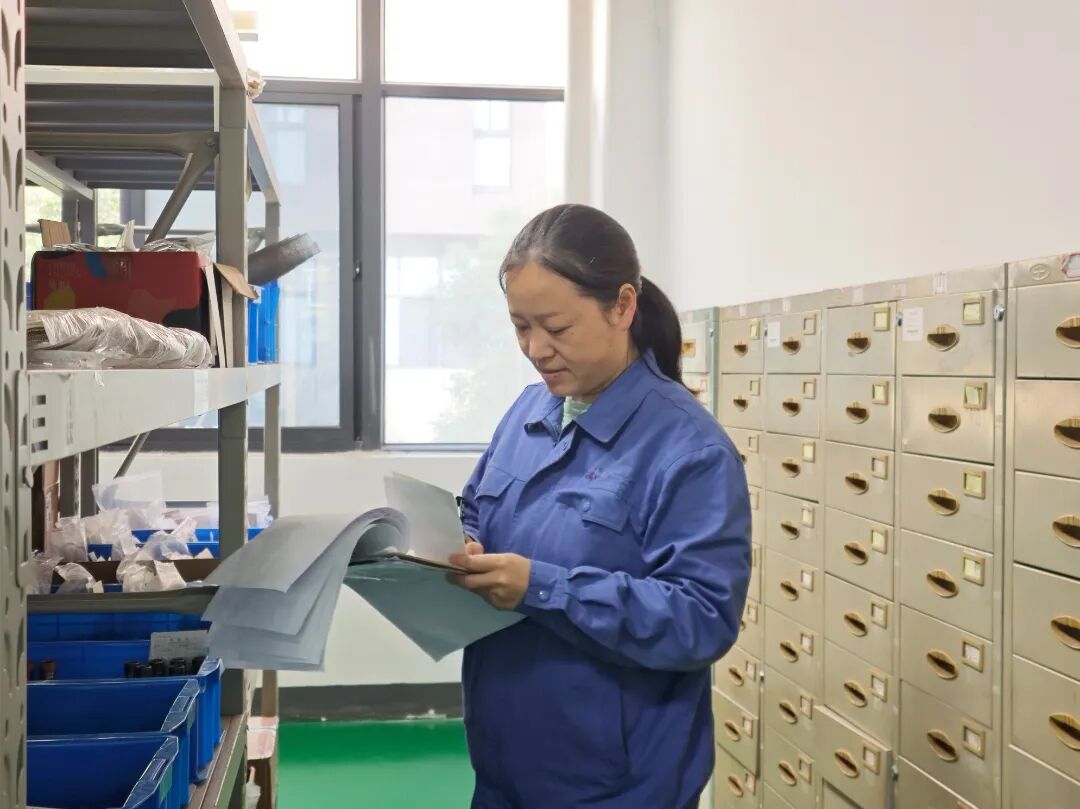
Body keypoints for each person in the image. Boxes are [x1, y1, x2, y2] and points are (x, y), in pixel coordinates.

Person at [449, 203, 752, 808]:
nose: (536, 348)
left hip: (614, 781)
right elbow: (478, 507)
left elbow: (701, 620)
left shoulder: (688, 450)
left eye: (556, 328)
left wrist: (542, 587)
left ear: (622, 306)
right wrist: (461, 544)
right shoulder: (528, 409)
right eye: (520, 326)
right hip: (506, 754)